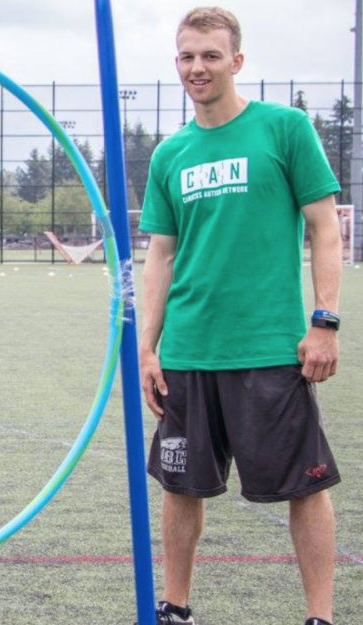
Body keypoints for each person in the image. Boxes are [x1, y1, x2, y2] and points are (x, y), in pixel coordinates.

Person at [139, 7, 342, 625]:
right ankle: (175, 607)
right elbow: (161, 255)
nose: (196, 68)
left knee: (304, 489)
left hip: (269, 349)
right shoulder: (170, 153)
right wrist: (148, 349)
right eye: (186, 56)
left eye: (209, 56)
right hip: (189, 351)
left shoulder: (284, 129)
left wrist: (325, 320)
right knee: (180, 487)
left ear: (236, 61)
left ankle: (320, 617)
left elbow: (324, 229)